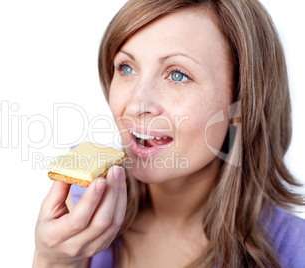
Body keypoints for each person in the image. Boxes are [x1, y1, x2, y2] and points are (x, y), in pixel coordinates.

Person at [33, 0, 305, 267]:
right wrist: (54, 260)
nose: (136, 104)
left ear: (240, 104)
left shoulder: (295, 251)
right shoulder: (81, 197)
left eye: (177, 75)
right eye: (126, 68)